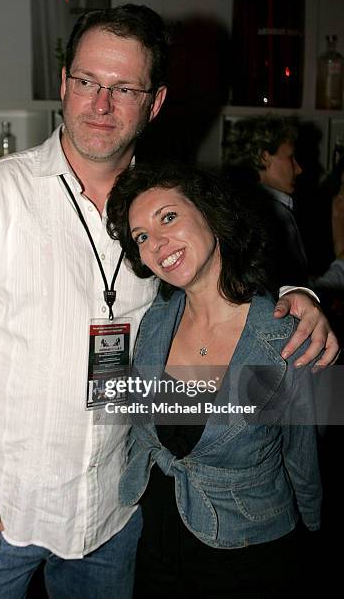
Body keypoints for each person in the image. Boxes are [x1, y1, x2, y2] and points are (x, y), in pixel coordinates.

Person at [0, 4, 337, 599]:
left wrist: (296, 296)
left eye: (123, 88)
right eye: (87, 82)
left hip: (116, 514)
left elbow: (221, 270)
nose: (100, 105)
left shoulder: (159, 206)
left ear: (153, 103)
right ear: (64, 85)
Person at [106, 164, 322, 598]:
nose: (157, 243)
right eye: (141, 236)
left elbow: (304, 458)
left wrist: (315, 541)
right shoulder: (153, 323)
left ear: (210, 214)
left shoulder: (284, 334)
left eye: (169, 217)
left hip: (249, 555)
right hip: (157, 547)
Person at [222, 114, 344, 290]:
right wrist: (341, 260)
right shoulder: (275, 215)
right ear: (264, 157)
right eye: (291, 157)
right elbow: (299, 299)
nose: (299, 169)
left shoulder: (237, 207)